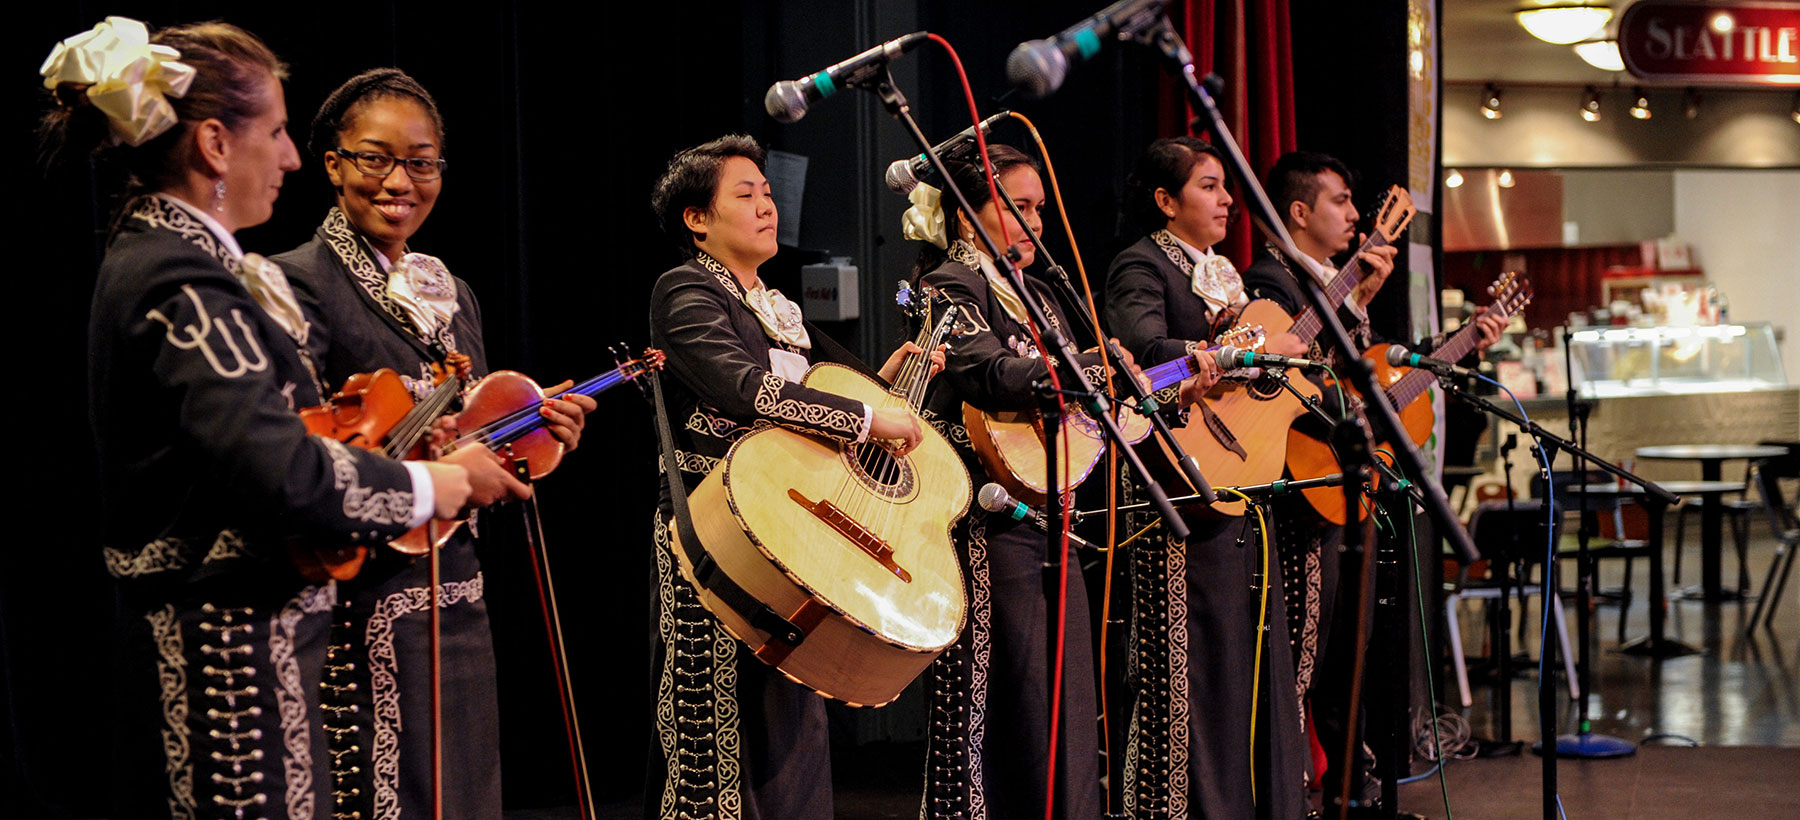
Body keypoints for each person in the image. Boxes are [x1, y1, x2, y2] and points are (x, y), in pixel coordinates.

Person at [43, 18, 472, 818]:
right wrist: (429, 485)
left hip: (252, 648)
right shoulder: (178, 276)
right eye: (275, 132)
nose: (290, 157)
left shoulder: (177, 262)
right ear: (213, 142)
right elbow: (283, 469)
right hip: (223, 657)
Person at [270, 68, 590, 819]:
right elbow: (302, 450)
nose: (399, 182)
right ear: (333, 164)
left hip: (458, 583)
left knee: (465, 786)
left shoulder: (450, 291)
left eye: (421, 162)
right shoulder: (297, 283)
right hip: (357, 594)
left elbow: (470, 434)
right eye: (375, 158)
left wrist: (531, 433)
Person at [645, 134, 931, 820]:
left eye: (768, 193)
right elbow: (745, 389)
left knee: (793, 730)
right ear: (697, 219)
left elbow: (816, 388)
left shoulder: (775, 306)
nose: (766, 205)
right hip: (714, 538)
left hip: (792, 535)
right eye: (744, 195)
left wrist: (881, 384)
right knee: (716, 732)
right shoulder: (685, 288)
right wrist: (867, 417)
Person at [1240, 150, 1502, 815]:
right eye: (1340, 202)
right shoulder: (1268, 283)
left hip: (1340, 489)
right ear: (1298, 213)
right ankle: (1295, 791)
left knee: (1341, 658)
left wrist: (1458, 339)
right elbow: (1286, 384)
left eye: (1358, 205)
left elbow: (1372, 380)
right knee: (1302, 661)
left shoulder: (1329, 284)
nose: (1356, 217)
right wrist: (1349, 300)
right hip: (1295, 486)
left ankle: (1347, 788)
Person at [908, 144, 1120, 820]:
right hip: (988, 516)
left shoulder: (1040, 289)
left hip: (1052, 504)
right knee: (1018, 697)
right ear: (970, 216)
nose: (1034, 223)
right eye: (1017, 207)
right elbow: (985, 370)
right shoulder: (949, 282)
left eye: (1039, 210)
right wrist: (1079, 372)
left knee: (1067, 697)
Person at [1104, 135, 1309, 820]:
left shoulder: (1222, 272)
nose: (1227, 200)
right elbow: (1149, 352)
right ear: (1166, 201)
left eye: (1226, 186)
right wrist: (1251, 348)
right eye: (1209, 186)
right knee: (1185, 664)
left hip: (1236, 481)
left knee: (1242, 660)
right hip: (1174, 486)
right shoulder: (1141, 265)